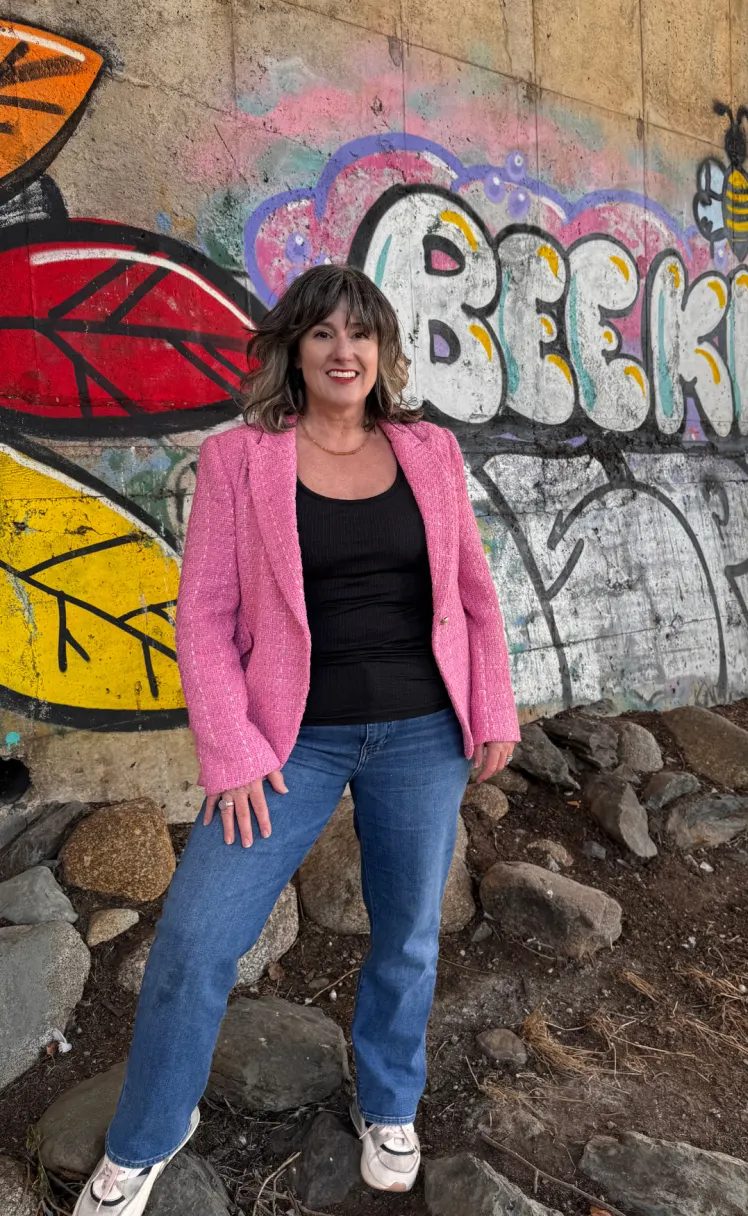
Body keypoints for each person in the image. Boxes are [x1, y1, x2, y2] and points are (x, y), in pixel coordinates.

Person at [73, 264, 521, 1214]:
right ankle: (153, 1130)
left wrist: (494, 709)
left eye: (361, 334)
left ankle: (390, 1100)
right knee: (196, 936)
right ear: (295, 349)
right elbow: (203, 617)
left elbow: (474, 597)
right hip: (290, 744)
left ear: (384, 352)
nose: (343, 351)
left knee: (405, 934)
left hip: (421, 734)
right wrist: (231, 752)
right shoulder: (241, 458)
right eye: (323, 333)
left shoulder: (432, 452)